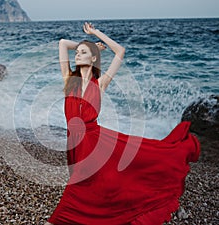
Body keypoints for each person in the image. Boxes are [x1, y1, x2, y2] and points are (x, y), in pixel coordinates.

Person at [44, 22, 200, 225]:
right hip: (75, 143)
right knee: (93, 185)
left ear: (93, 59)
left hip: (95, 142)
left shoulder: (100, 83)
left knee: (82, 186)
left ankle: (58, 220)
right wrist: (89, 46)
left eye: (83, 53)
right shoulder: (68, 79)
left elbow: (120, 51)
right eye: (78, 52)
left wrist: (95, 34)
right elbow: (63, 43)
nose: (77, 54)